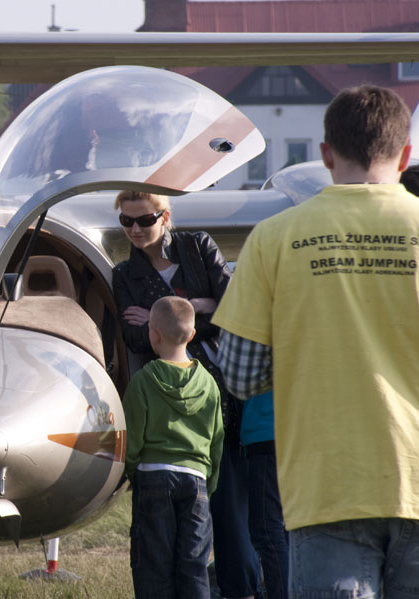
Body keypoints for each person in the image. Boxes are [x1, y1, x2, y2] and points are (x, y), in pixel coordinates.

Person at [213, 85, 419, 594]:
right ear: (405, 154)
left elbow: (240, 375)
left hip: (327, 489)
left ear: (326, 153)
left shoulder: (273, 238)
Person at [112, 190, 262, 599]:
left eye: (145, 220)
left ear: (165, 216)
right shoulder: (124, 274)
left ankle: (241, 589)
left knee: (230, 514)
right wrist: (202, 306)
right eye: (127, 222)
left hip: (219, 395)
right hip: (166, 403)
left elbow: (234, 306)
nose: (136, 230)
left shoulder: (198, 246)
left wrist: (172, 311)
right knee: (165, 541)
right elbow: (133, 335)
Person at [124, 295, 224, 599]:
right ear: (192, 335)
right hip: (195, 480)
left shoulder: (142, 382)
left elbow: (132, 440)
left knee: (154, 564)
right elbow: (216, 439)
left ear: (153, 335)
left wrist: (132, 472)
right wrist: (209, 482)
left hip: (153, 476)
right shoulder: (208, 384)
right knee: (193, 564)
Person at [240, 390, 288, 599]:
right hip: (293, 431)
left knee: (267, 531)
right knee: (288, 530)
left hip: (266, 430)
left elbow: (236, 377)